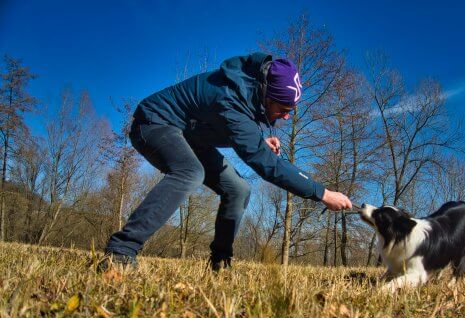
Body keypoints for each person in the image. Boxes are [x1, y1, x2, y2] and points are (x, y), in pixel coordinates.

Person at [100, 53, 352, 271]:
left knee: (239, 189)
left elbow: (224, 127)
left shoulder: (249, 92)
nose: (286, 115)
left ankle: (220, 263)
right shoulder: (230, 98)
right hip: (153, 123)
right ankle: (121, 252)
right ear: (266, 94)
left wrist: (258, 141)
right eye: (284, 107)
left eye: (292, 110)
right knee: (190, 172)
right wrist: (322, 193)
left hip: (190, 136)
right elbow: (267, 165)